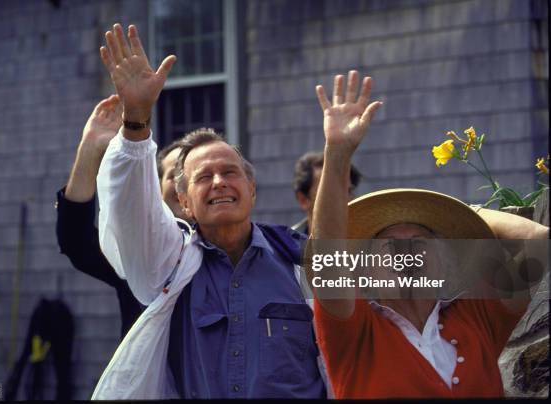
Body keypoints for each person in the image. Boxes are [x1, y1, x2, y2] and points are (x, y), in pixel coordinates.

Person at [91, 24, 329, 399]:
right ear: (183, 202)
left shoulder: (299, 260)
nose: (219, 181)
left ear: (251, 190)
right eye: (204, 177)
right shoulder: (171, 263)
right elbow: (130, 211)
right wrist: (136, 119)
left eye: (230, 172)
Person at [309, 70, 549, 398]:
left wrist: (467, 212)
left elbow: (535, 241)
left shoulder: (477, 316)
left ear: (444, 262)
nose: (405, 252)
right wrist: (337, 153)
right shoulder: (355, 331)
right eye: (390, 244)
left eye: (420, 242)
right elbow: (327, 257)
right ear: (367, 268)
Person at [55, 94, 188, 339]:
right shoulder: (135, 248)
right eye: (175, 175)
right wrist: (90, 148)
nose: (184, 184)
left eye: (195, 175)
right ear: (155, 189)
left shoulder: (237, 249)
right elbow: (76, 242)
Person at [292, 151, 361, 235]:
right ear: (303, 200)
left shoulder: (369, 242)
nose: (345, 201)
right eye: (331, 193)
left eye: (348, 191)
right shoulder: (285, 245)